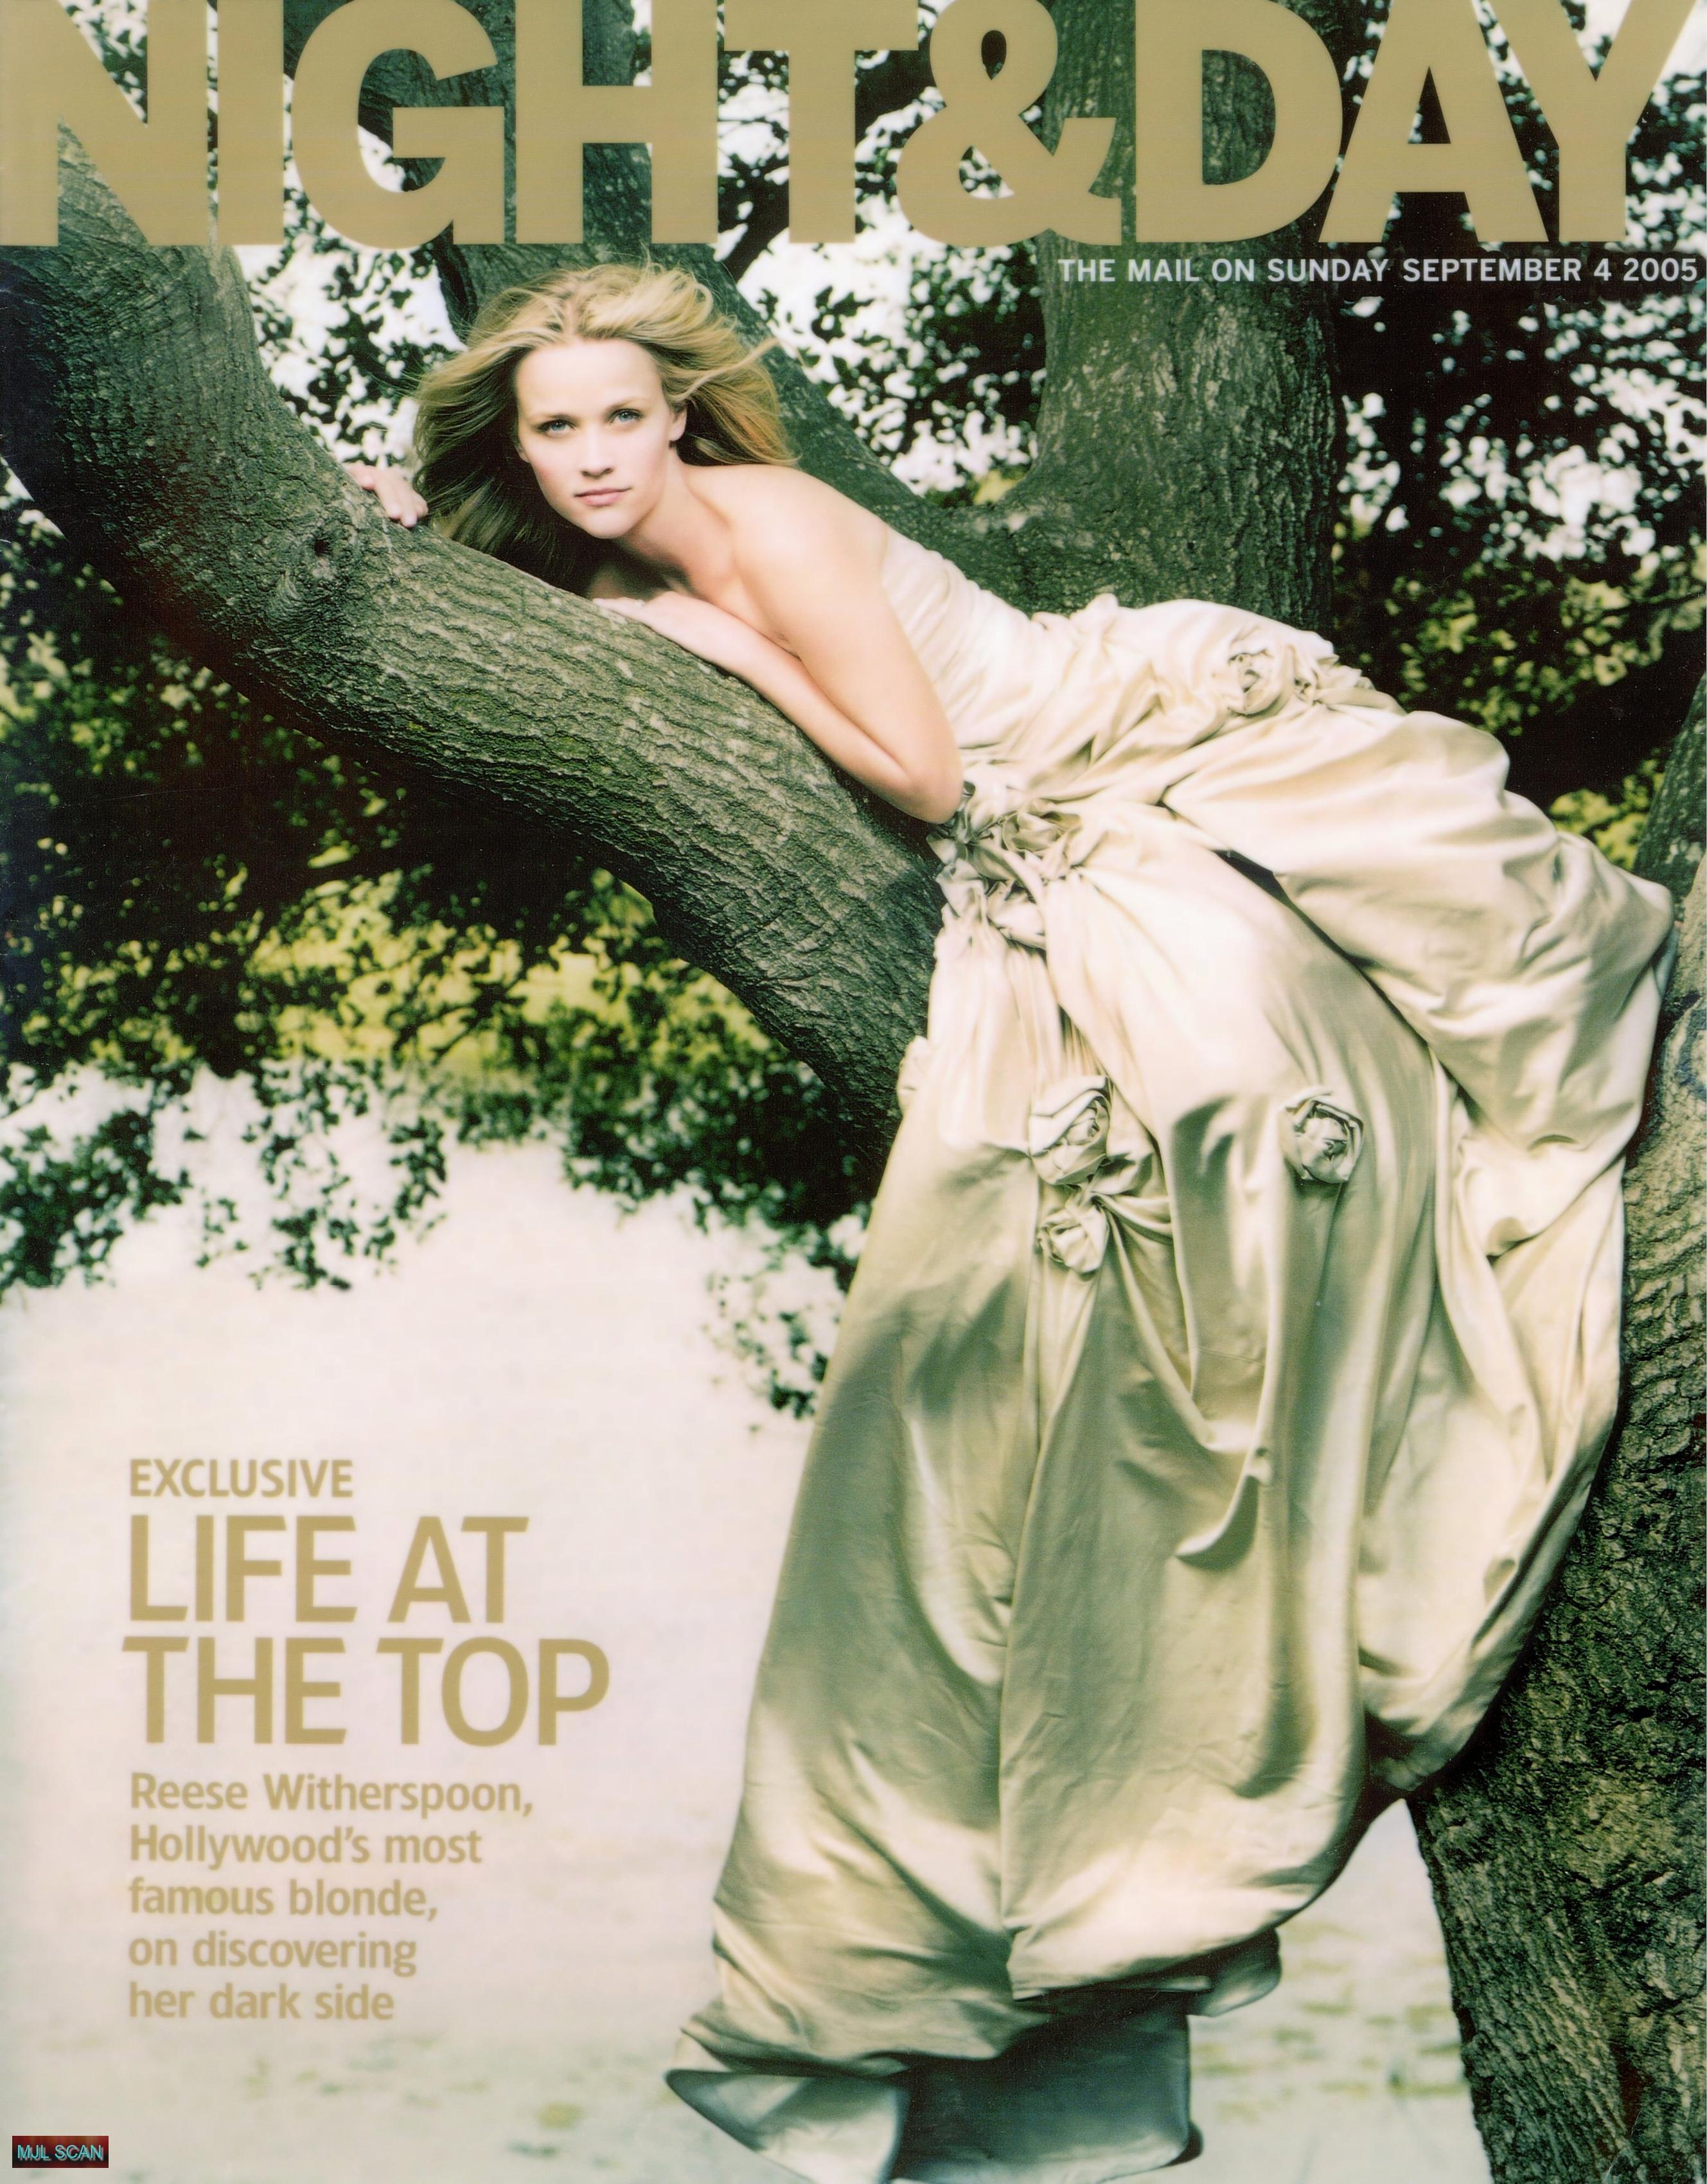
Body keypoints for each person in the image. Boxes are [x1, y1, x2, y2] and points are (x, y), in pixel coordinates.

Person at [351, 261, 1675, 2184]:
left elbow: (922, 773)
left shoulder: (771, 528)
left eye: (624, 418)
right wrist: (402, 519)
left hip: (1092, 761)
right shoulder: (603, 563)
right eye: (555, 431)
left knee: (1237, 1104)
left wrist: (725, 653)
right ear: (524, 447)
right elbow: (493, 594)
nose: (594, 457)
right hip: (1020, 835)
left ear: (680, 417)